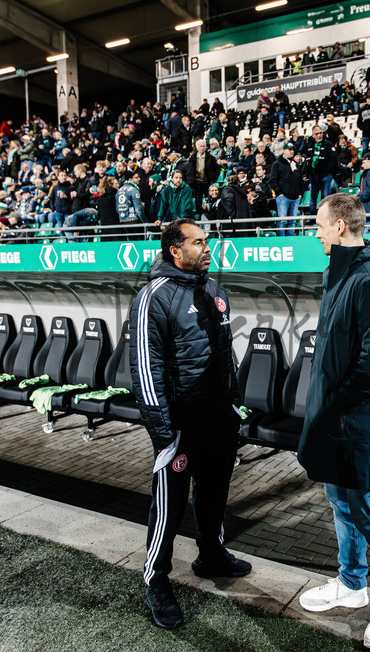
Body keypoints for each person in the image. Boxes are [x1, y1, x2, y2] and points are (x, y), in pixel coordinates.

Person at [297, 194, 370, 652]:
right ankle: (351, 584)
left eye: (320, 225)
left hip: (357, 421)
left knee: (369, 509)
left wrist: (335, 404)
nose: (315, 232)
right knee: (339, 499)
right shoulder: (342, 272)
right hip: (336, 418)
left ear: (340, 226)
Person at [130, 218, 250, 631]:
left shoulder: (213, 290)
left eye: (207, 240)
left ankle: (211, 555)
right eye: (198, 242)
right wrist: (164, 433)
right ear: (175, 251)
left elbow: (225, 355)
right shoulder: (153, 297)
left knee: (214, 494)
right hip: (181, 425)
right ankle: (156, 580)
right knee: (169, 505)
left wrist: (233, 407)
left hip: (218, 418)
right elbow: (146, 370)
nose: (207, 246)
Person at [268, 142, 304, 236]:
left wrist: (300, 194)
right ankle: (282, 240)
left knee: (292, 221)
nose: (291, 151)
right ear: (284, 151)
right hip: (283, 197)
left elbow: (300, 180)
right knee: (282, 220)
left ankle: (290, 239)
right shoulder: (277, 164)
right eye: (289, 149)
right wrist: (279, 193)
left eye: (292, 150)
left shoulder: (296, 164)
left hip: (295, 197)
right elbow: (272, 180)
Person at [304, 125, 340, 216]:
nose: (319, 135)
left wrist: (329, 171)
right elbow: (308, 160)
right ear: (313, 135)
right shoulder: (309, 145)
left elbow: (334, 159)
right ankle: (313, 217)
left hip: (325, 175)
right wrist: (307, 174)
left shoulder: (328, 144)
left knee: (325, 197)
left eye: (320, 133)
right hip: (313, 175)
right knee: (313, 197)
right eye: (317, 134)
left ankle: (325, 216)